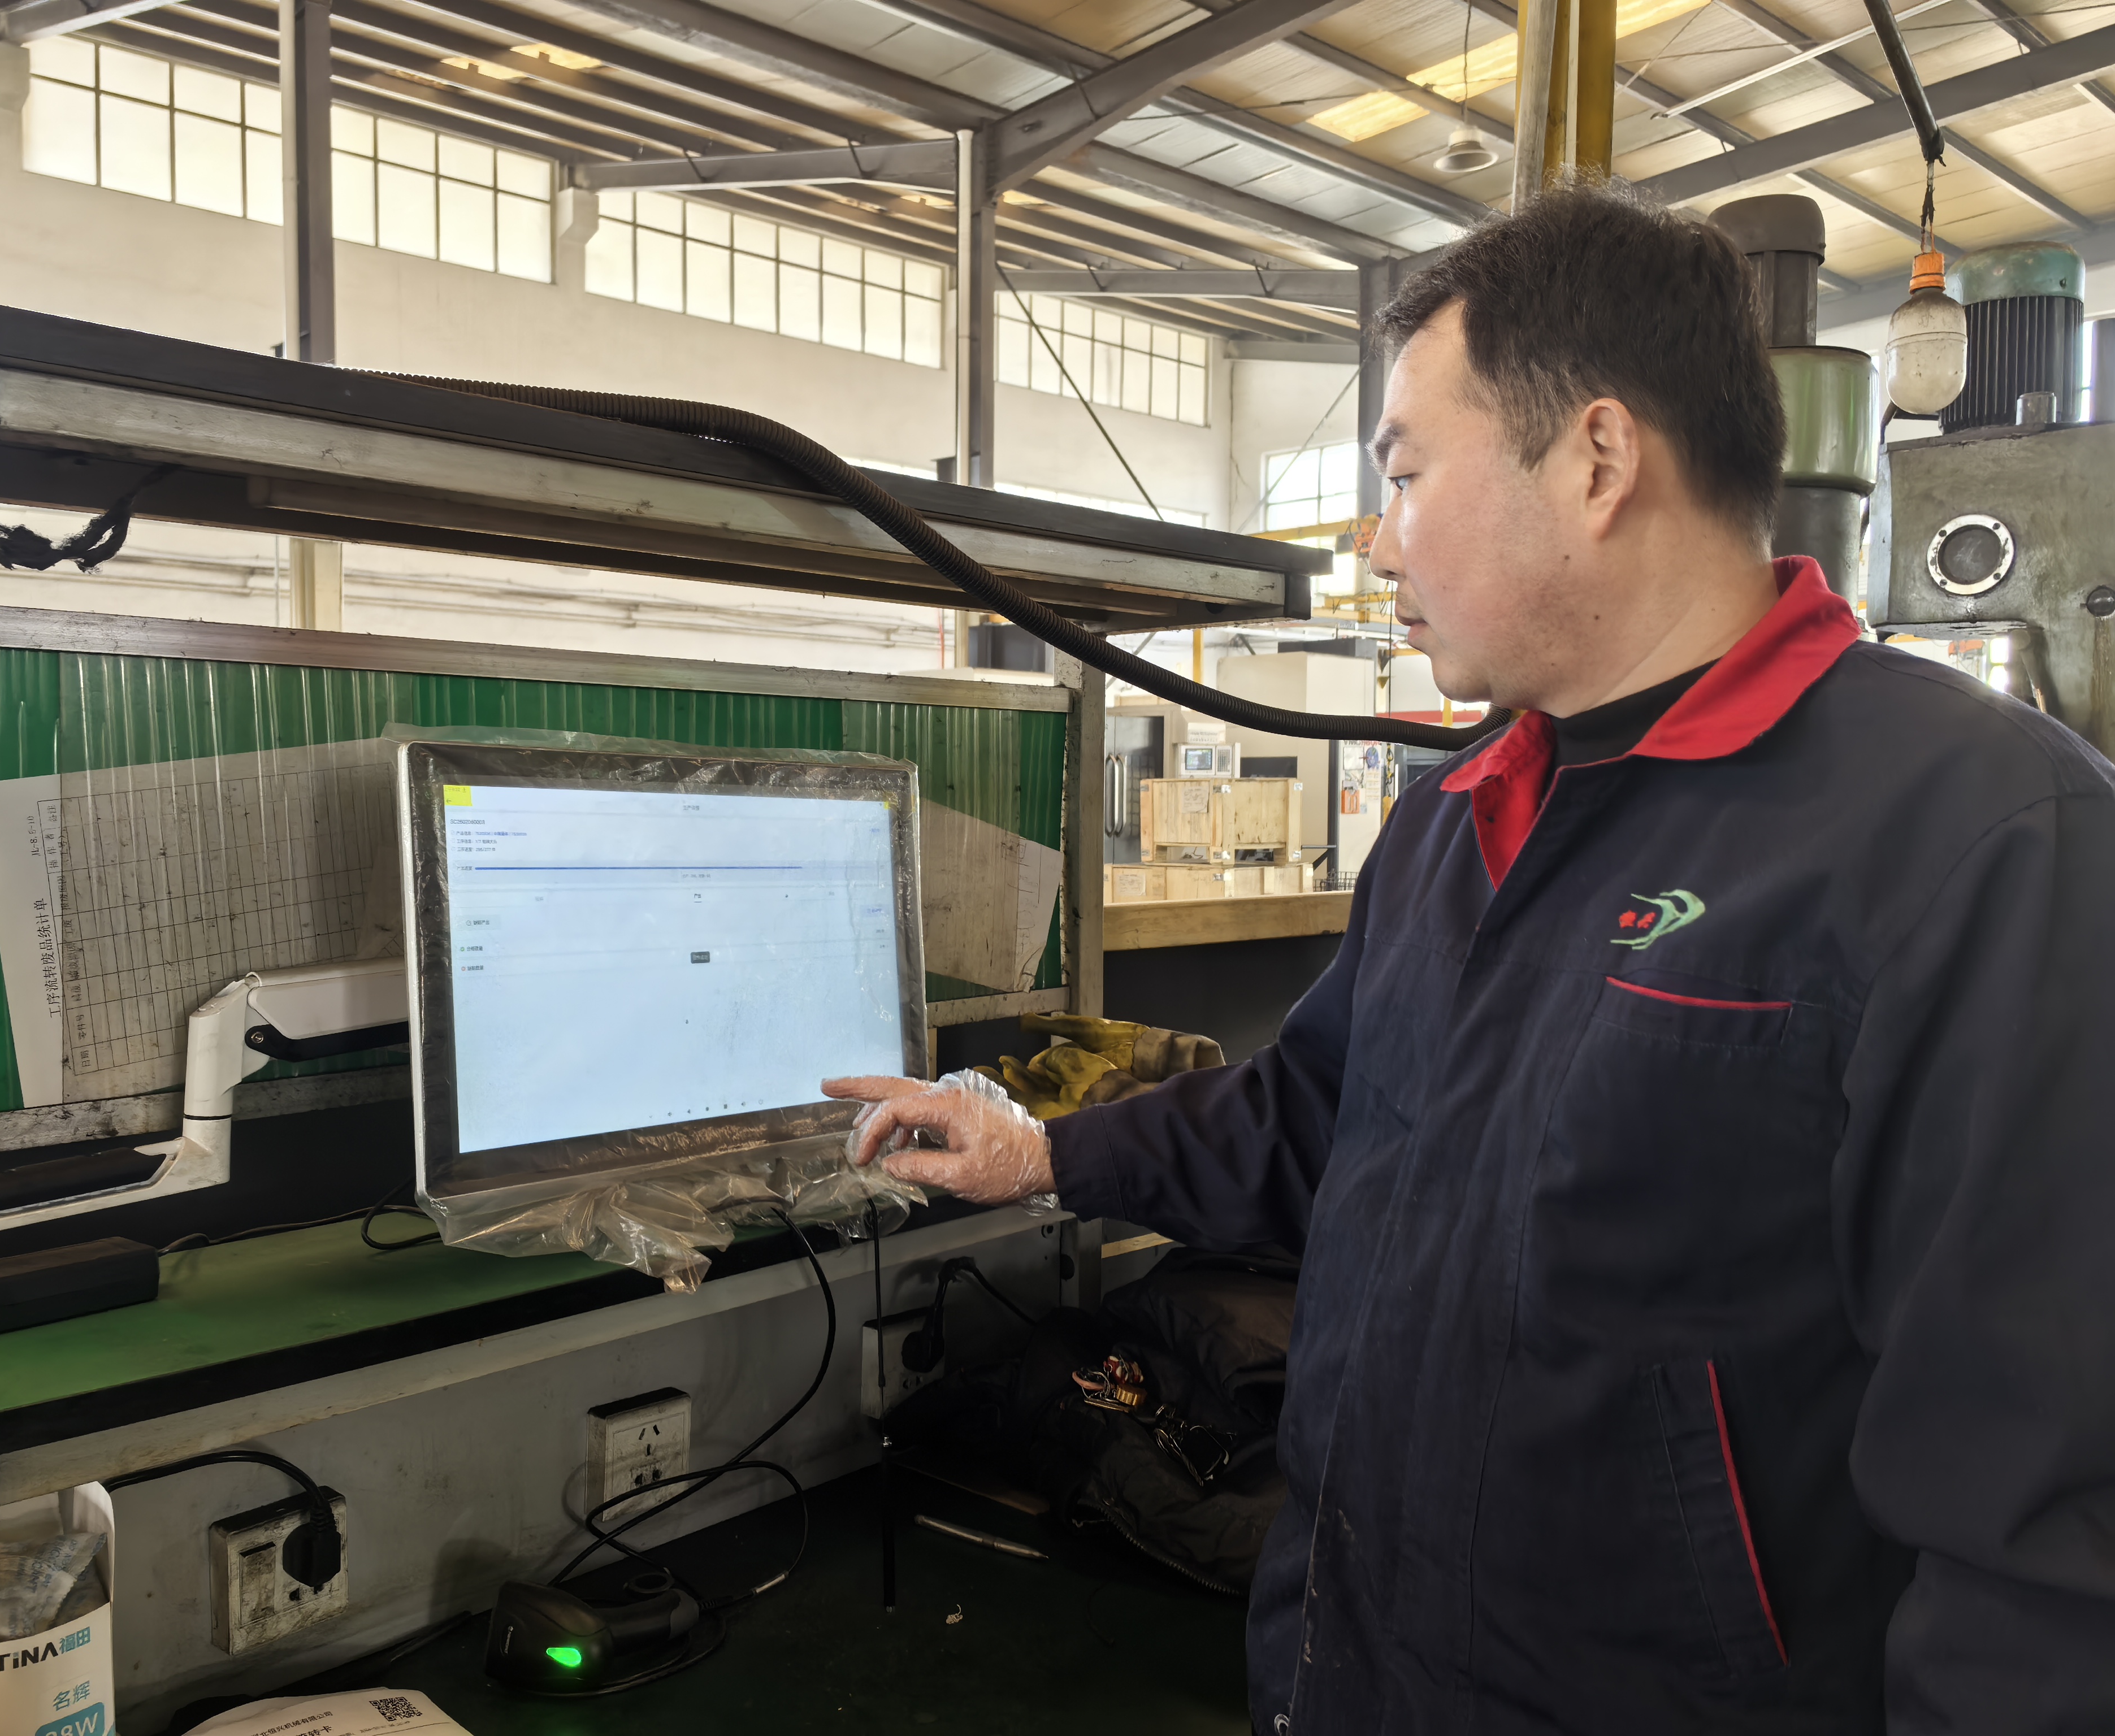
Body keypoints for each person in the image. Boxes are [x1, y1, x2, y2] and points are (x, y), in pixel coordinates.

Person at [826, 185, 2115, 1733]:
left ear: (1596, 460)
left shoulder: (1977, 839)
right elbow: (1321, 1116)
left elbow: (2047, 1518)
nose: (1379, 542)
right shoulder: (1460, 816)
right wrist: (1045, 1151)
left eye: (1405, 474)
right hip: (1358, 1673)